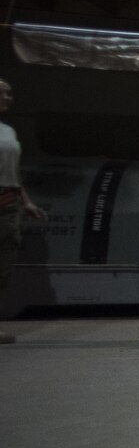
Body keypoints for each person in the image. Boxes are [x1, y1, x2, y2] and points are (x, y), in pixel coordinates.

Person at [0, 79, 49, 344]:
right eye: (2, 93)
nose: (8, 98)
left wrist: (26, 202)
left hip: (7, 204)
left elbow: (12, 173)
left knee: (3, 267)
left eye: (10, 93)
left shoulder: (8, 131)